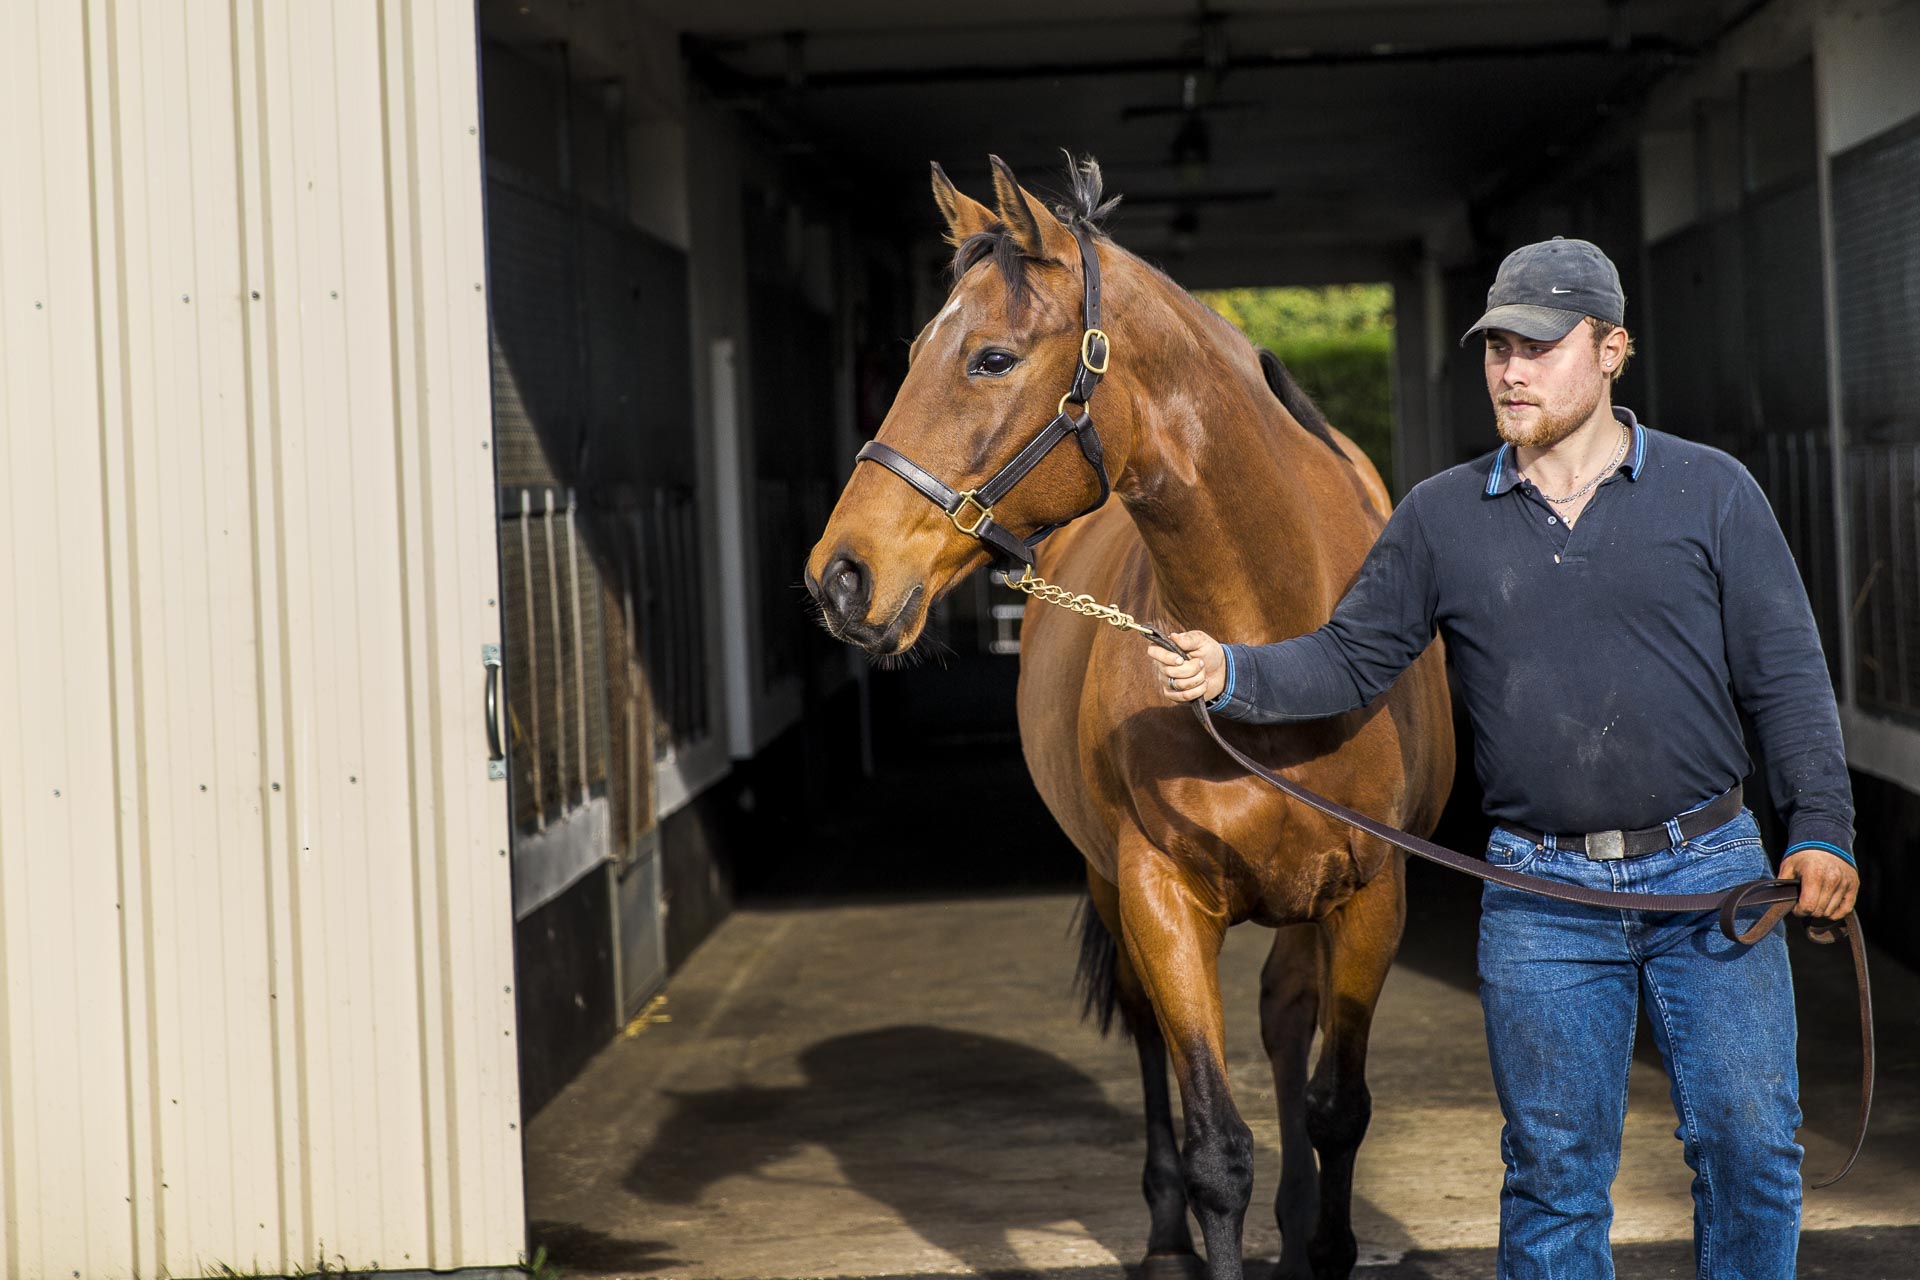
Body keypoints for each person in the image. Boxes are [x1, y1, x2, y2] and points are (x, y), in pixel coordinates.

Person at [1148, 237, 1858, 1280]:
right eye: (1496, 348)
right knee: (1554, 1174)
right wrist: (1231, 674)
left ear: (1612, 347)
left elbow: (1788, 676)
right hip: (1538, 890)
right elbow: (1350, 657)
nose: (1509, 369)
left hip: (1709, 876)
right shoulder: (1439, 516)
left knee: (1750, 1150)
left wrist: (1823, 829)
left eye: (1538, 345)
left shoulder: (1714, 494)